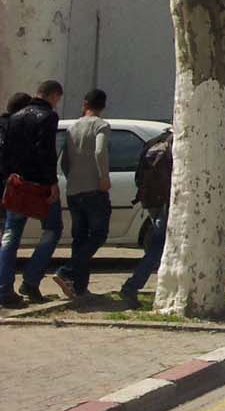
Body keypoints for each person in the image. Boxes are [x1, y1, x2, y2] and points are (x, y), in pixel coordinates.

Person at [0, 81, 65, 307]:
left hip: (17, 185)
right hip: (39, 187)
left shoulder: (15, 117)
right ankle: (31, 279)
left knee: (10, 236)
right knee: (52, 229)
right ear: (54, 95)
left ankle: (4, 289)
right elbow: (45, 152)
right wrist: (52, 183)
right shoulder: (48, 116)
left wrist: (10, 175)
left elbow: (6, 152)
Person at [58, 88, 111, 299]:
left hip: (74, 189)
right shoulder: (101, 125)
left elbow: (64, 161)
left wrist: (72, 176)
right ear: (103, 106)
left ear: (84, 104)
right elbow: (100, 151)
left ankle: (78, 286)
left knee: (79, 237)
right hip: (93, 189)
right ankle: (68, 271)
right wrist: (103, 177)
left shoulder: (72, 128)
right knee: (98, 234)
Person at [119, 127, 173, 305]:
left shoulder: (154, 142)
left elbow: (138, 177)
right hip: (166, 203)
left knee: (161, 247)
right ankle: (131, 287)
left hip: (151, 202)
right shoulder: (175, 145)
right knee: (157, 248)